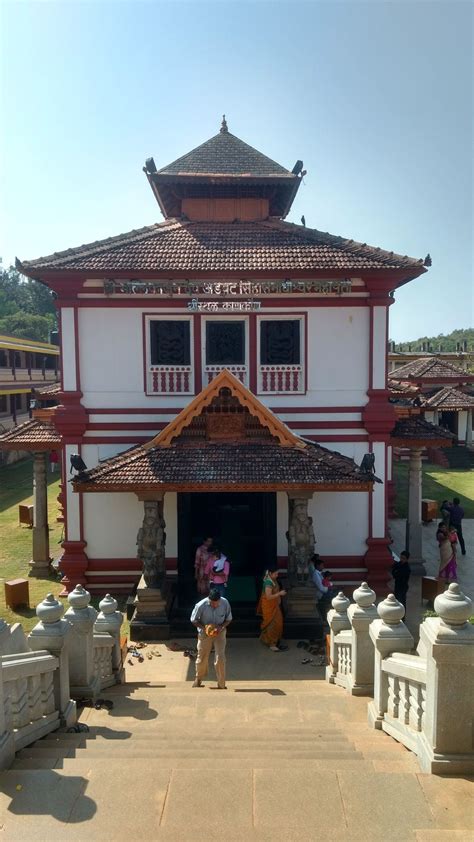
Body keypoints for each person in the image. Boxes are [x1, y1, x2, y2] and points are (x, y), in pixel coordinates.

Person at [190, 587, 232, 688]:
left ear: (220, 600)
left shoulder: (225, 603)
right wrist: (205, 628)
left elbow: (229, 619)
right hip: (205, 632)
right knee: (202, 656)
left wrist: (221, 627)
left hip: (220, 632)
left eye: (217, 603)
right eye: (212, 603)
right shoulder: (200, 605)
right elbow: (193, 620)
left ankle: (221, 683)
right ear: (209, 599)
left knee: (220, 657)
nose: (215, 605)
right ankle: (198, 679)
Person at [256, 567, 287, 651]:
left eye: (277, 574)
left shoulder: (273, 580)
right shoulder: (268, 582)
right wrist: (279, 594)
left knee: (278, 623)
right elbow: (268, 597)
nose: (277, 575)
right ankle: (272, 644)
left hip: (275, 606)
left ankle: (271, 640)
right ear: (270, 573)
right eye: (275, 574)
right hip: (269, 607)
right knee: (271, 624)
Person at [310, 555, 336, 621]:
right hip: (320, 595)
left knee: (337, 592)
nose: (323, 567)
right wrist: (329, 589)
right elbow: (321, 588)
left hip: (324, 592)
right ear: (318, 566)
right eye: (322, 565)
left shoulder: (319, 573)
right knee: (336, 596)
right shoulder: (315, 574)